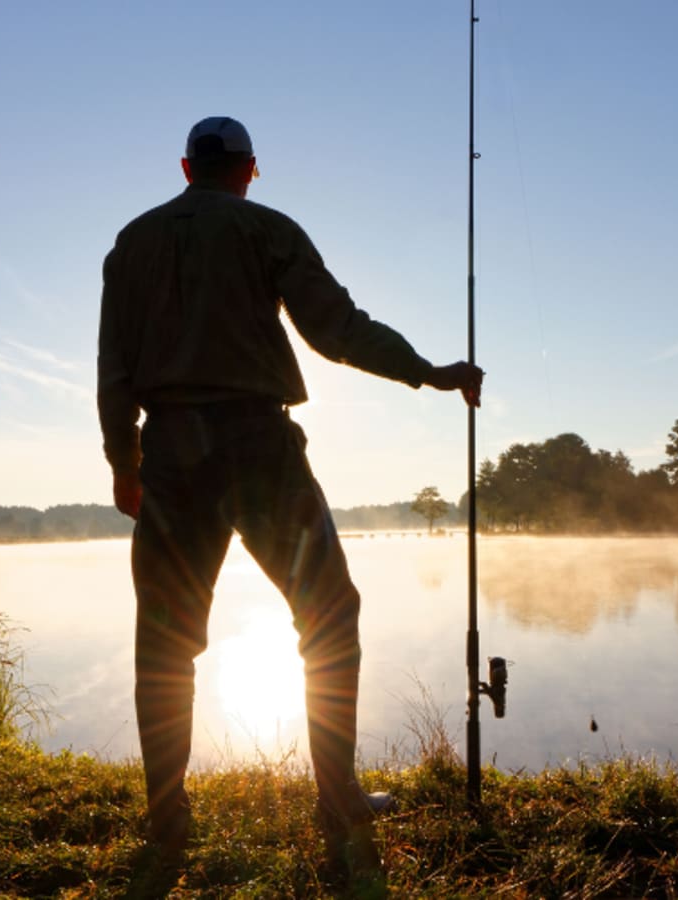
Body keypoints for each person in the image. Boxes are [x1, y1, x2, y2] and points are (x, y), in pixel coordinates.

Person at [97, 115, 483, 876]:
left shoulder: (131, 242)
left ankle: (166, 816)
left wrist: (125, 460)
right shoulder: (267, 227)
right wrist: (429, 372)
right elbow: (336, 328)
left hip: (171, 451)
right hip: (259, 446)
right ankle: (336, 799)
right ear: (248, 169)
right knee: (329, 612)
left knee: (165, 640)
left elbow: (113, 366)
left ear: (185, 167)